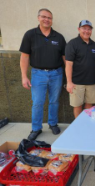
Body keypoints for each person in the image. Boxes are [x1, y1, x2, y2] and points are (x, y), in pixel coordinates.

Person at [19, 8, 66, 140]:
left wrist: (69, 75)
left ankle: (52, 123)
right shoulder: (30, 35)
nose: (46, 19)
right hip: (38, 74)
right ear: (38, 18)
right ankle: (36, 128)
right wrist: (24, 76)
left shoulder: (59, 37)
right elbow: (24, 57)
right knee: (38, 102)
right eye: (44, 17)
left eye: (49, 18)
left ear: (52, 20)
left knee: (54, 101)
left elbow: (64, 57)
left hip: (57, 73)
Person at [65, 20, 95, 118]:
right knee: (77, 106)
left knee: (89, 106)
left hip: (91, 82)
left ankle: (87, 125)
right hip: (76, 82)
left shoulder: (94, 45)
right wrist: (69, 82)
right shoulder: (72, 43)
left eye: (89, 29)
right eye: (84, 28)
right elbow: (68, 64)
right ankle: (78, 127)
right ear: (79, 29)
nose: (86, 31)